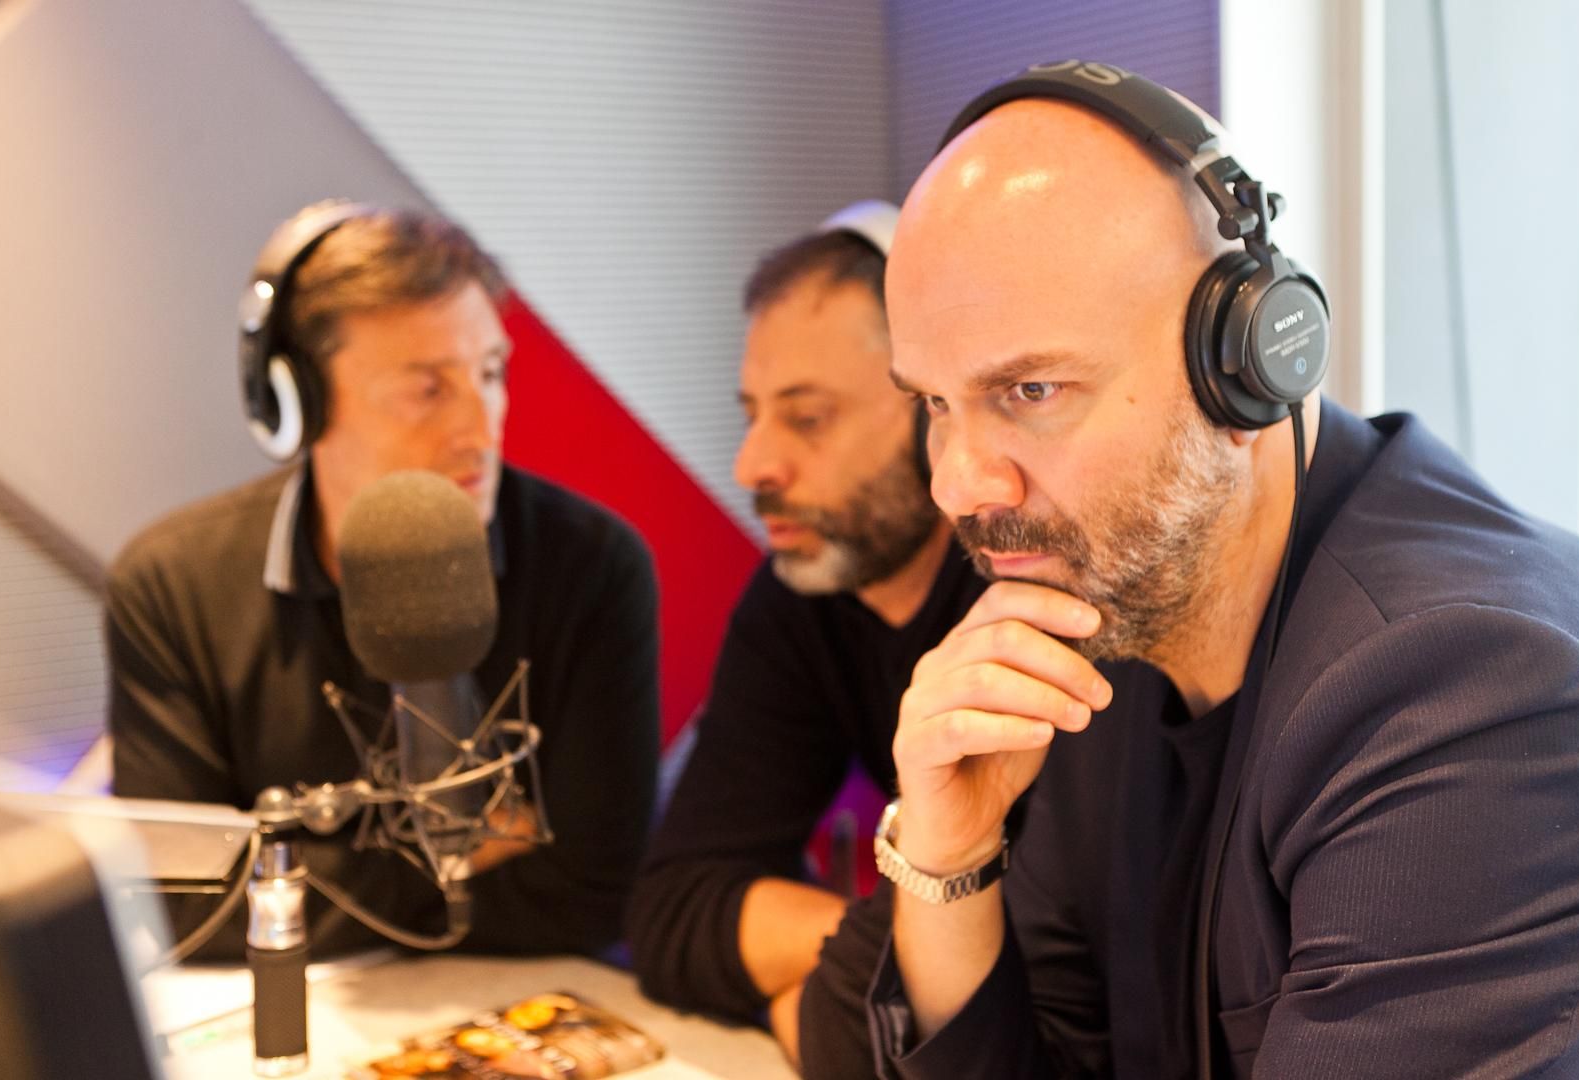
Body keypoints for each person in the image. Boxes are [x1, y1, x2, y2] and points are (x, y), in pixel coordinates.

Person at [865, 62, 1579, 1078]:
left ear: (1246, 368)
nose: (956, 483)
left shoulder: (1463, 696)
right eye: (934, 404)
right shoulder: (1108, 610)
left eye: (1031, 390)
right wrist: (948, 859)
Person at [106, 203, 659, 960]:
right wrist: (458, 865)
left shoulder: (593, 568)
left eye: (490, 373)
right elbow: (180, 906)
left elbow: (595, 893)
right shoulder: (172, 588)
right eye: (427, 389)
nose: (481, 428)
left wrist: (286, 881)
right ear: (298, 404)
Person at [626, 202, 983, 1073]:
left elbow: (1039, 990)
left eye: (808, 418)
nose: (753, 465)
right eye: (753, 413)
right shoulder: (801, 595)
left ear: (936, 417)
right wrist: (875, 953)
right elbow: (673, 915)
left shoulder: (1028, 599)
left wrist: (819, 992)